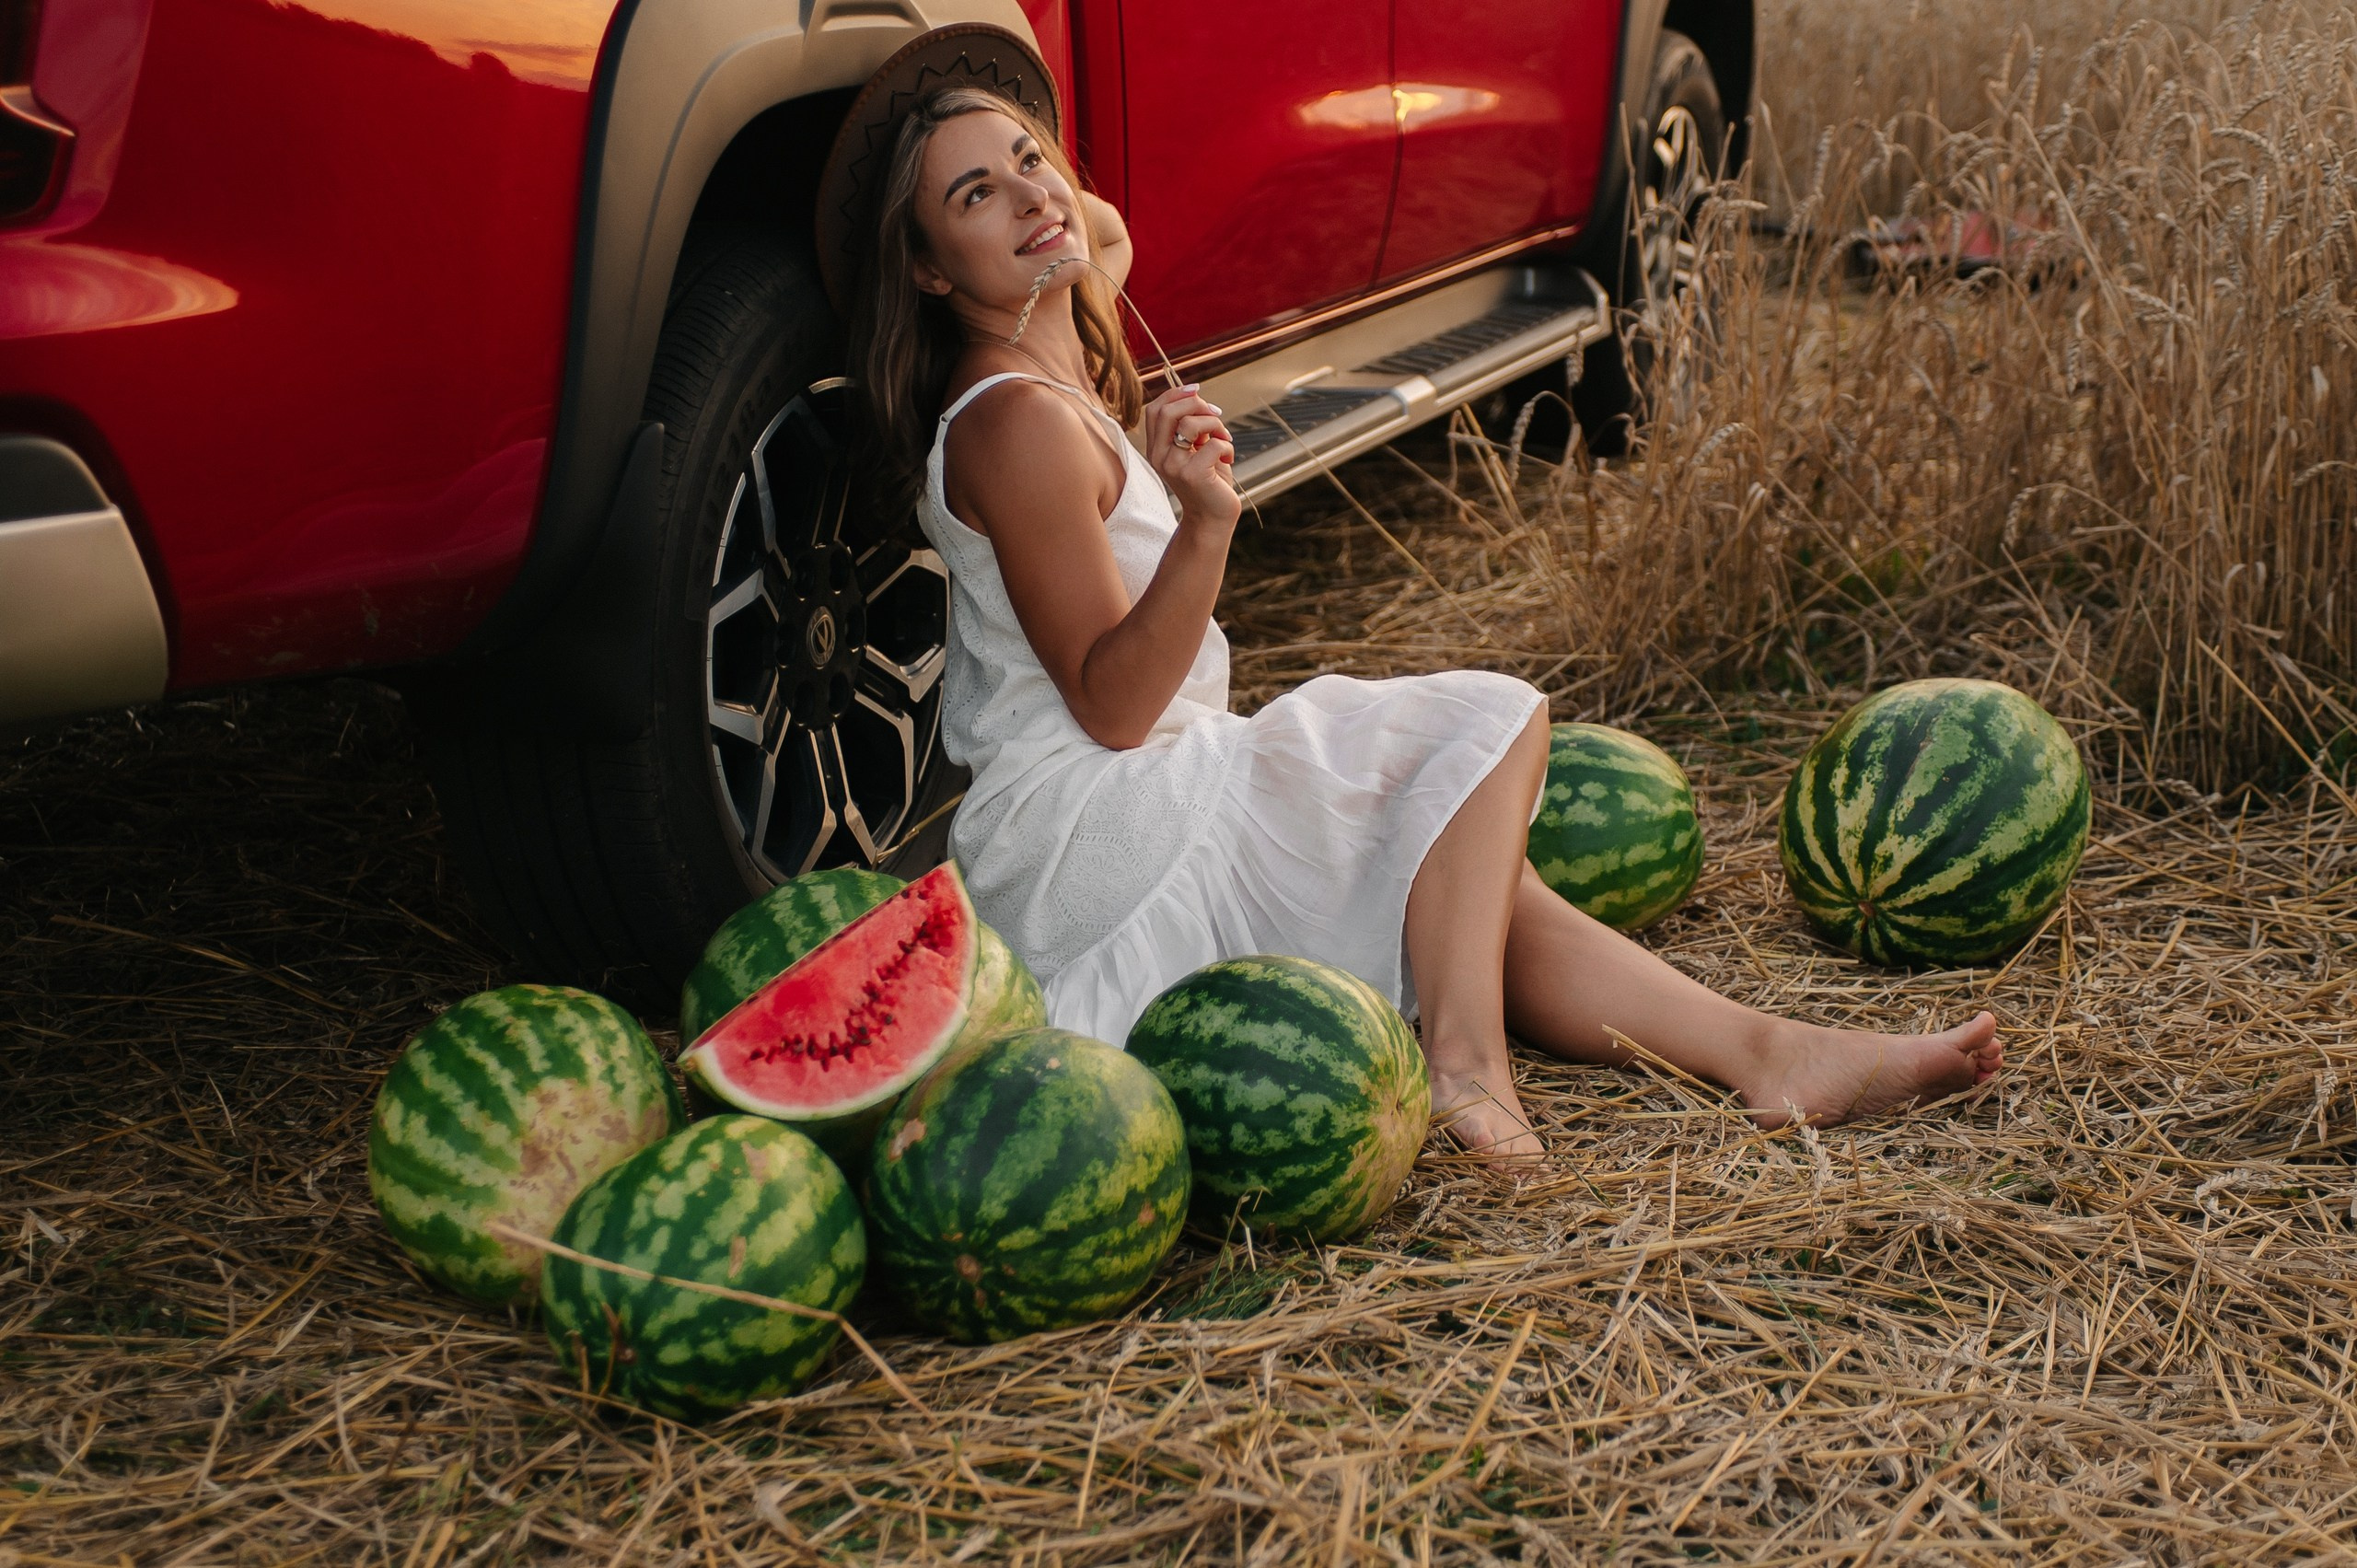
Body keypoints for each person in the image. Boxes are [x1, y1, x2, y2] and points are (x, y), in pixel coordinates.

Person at [846, 86, 2000, 1161]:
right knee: (1478, 724)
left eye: (1030, 159)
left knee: (1463, 864)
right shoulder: (1014, 424)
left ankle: (1770, 1052)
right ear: (926, 270)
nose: (1032, 198)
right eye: (973, 196)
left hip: (1150, 780)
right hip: (1089, 830)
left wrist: (1020, 185)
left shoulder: (1053, 336)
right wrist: (1203, 527)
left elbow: (1094, 227)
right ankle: (1466, 1065)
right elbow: (1109, 706)